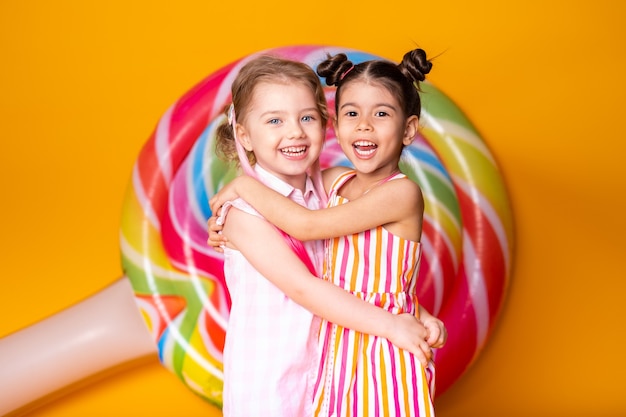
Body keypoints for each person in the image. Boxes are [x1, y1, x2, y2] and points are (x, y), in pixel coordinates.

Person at [209, 48, 446, 416]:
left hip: (330, 371)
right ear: (244, 136)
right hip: (273, 382)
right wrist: (244, 191)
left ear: (325, 124)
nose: (294, 132)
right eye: (275, 121)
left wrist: (414, 309)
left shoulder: (326, 190)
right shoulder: (243, 216)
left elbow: (358, 269)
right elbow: (305, 286)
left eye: (308, 117)